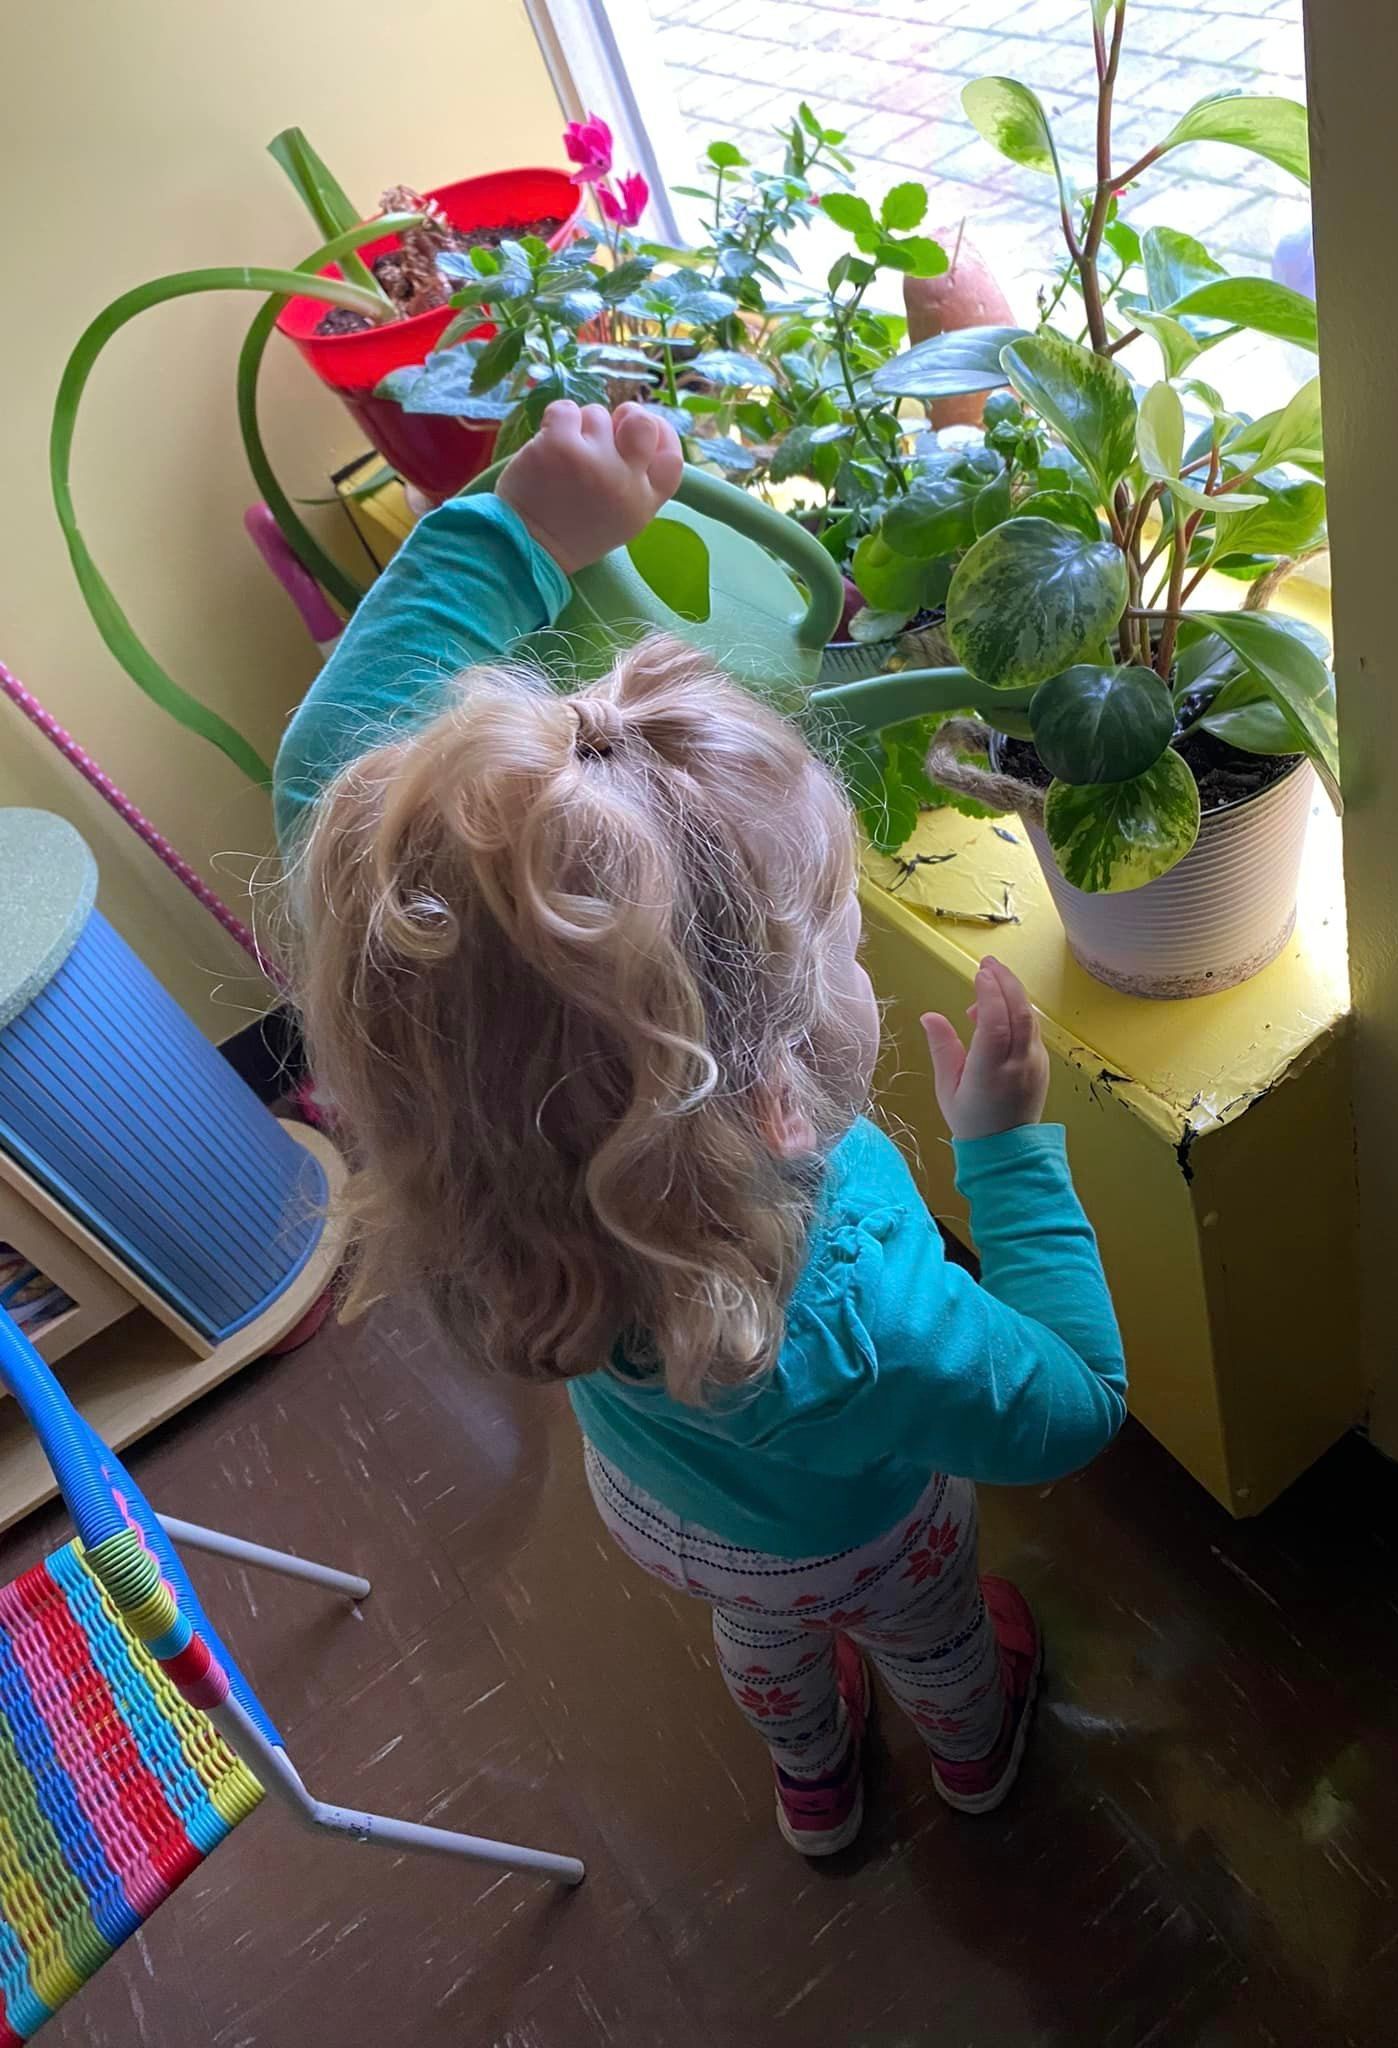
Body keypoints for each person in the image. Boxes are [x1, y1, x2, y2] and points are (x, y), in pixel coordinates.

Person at [279, 400, 1127, 1857]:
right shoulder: (860, 1302)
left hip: (669, 1519)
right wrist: (1006, 1150)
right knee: (926, 1625)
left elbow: (336, 769)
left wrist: (521, 526)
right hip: (861, 1534)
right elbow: (1073, 1403)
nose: (854, 962)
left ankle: (810, 1778)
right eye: (842, 948)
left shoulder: (469, 1157)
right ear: (772, 1073)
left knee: (771, 1641)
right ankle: (975, 1749)